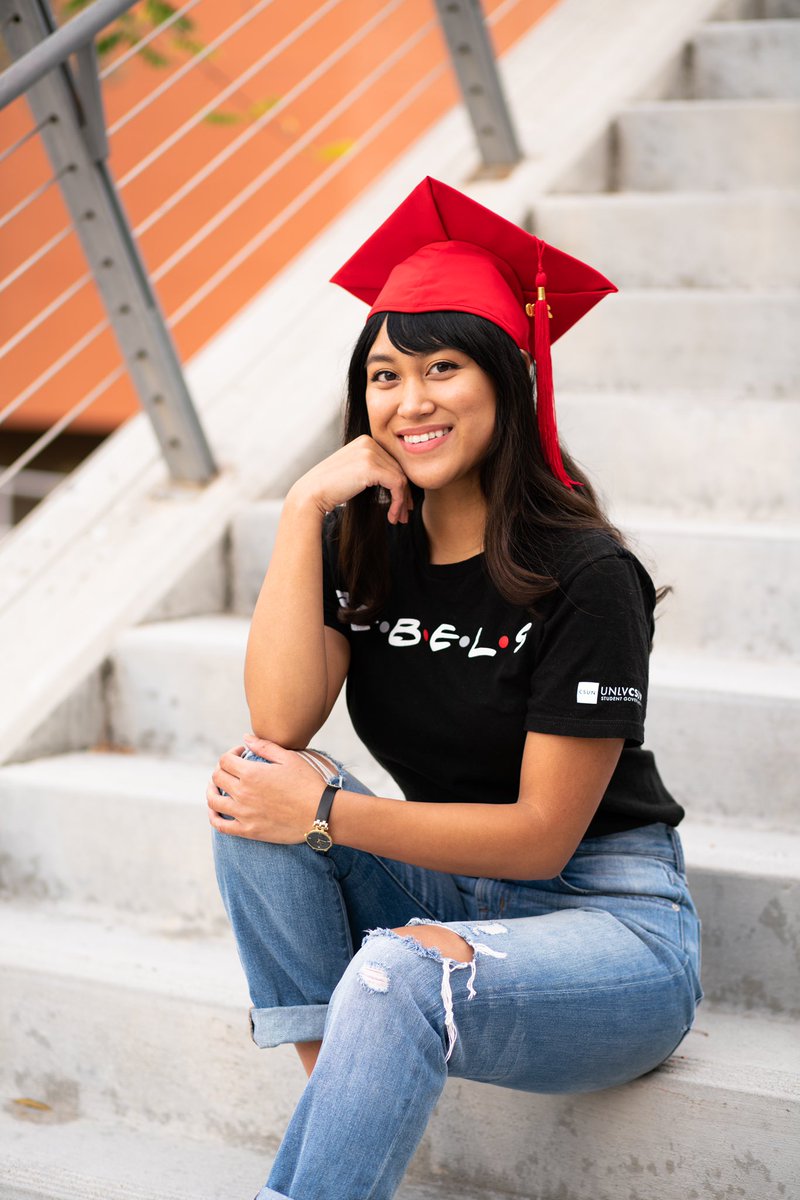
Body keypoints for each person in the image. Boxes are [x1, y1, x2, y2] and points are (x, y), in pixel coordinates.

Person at [208, 177, 703, 1200]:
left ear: (506, 380)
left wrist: (334, 814)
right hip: (448, 894)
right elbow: (279, 723)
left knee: (395, 971)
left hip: (607, 927)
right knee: (255, 785)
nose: (411, 400)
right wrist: (302, 507)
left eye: (443, 367)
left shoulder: (584, 573)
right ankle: (338, 1098)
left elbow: (539, 840)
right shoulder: (373, 537)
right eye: (385, 375)